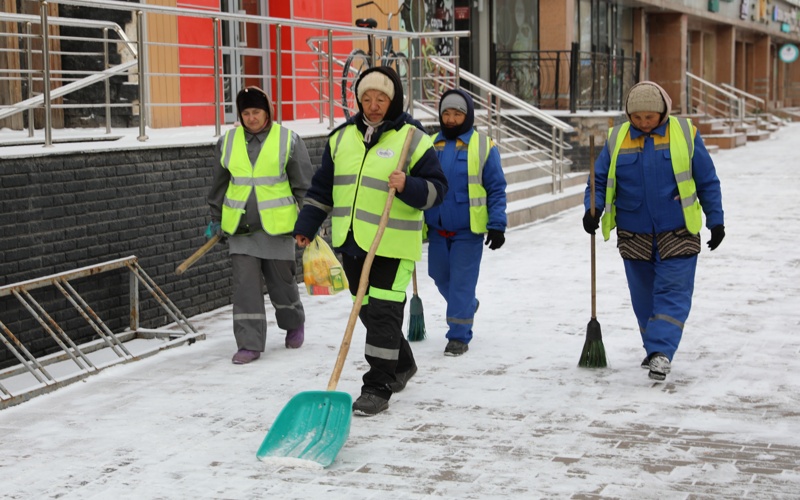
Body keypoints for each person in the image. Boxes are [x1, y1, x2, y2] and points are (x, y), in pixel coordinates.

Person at [293, 66, 447, 416]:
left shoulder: (414, 139)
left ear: (393, 100)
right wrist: (307, 225)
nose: (373, 105)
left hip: (392, 246)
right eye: (367, 98)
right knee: (369, 312)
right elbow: (322, 190)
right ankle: (402, 363)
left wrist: (409, 185)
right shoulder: (341, 138)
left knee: (383, 313)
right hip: (351, 243)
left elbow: (439, 191)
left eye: (381, 98)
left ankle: (378, 386)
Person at [582, 81, 725, 381]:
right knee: (644, 298)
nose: (643, 123)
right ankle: (654, 349)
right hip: (635, 234)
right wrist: (591, 209)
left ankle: (661, 351)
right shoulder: (616, 139)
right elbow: (597, 180)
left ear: (663, 112)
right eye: (637, 117)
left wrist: (716, 220)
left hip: (678, 229)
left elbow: (707, 180)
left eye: (650, 117)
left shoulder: (685, 134)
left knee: (673, 292)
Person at [206, 86, 314, 365]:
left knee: (282, 284)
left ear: (267, 112)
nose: (251, 118)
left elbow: (303, 185)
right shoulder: (227, 142)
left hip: (278, 229)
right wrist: (216, 219)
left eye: (256, 112)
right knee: (245, 288)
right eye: (246, 113)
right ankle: (249, 343)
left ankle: (293, 323)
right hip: (240, 230)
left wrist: (310, 221)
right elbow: (219, 185)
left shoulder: (288, 140)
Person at [425, 89, 507, 356]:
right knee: (438, 275)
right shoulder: (429, 145)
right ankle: (468, 305)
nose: (450, 119)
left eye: (457, 114)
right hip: (436, 228)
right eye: (446, 113)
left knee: (461, 282)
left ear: (467, 115)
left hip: (467, 230)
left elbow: (496, 188)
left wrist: (497, 223)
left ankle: (458, 335)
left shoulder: (483, 146)